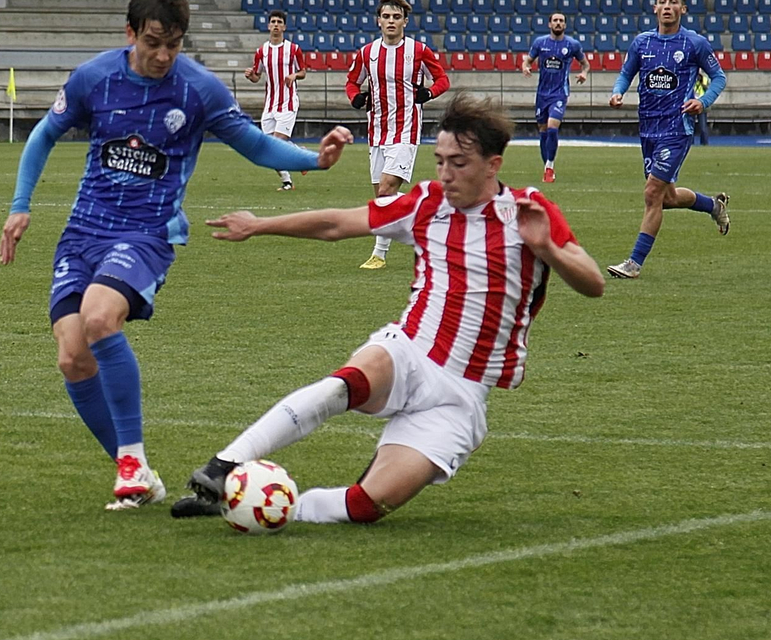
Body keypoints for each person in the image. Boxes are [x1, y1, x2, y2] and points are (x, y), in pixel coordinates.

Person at [0, 0, 353, 512]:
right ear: (130, 33)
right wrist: (20, 205)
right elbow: (44, 134)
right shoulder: (95, 78)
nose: (163, 55)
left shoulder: (199, 89)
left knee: (99, 318)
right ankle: (137, 472)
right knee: (72, 357)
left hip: (147, 233)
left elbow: (254, 145)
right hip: (84, 231)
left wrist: (315, 160)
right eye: (152, 42)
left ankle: (131, 460)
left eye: (174, 44)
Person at [172, 93, 605, 524]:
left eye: (459, 163)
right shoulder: (426, 203)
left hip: (461, 395)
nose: (445, 174)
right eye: (440, 161)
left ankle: (264, 506)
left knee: (365, 507)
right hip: (409, 351)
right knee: (345, 384)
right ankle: (223, 467)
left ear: (493, 165)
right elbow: (337, 224)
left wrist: (547, 248)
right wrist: (259, 226)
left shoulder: (528, 211)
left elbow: (593, 283)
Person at [605, 0, 730, 280]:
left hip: (676, 128)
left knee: (652, 194)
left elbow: (718, 77)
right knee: (667, 198)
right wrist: (617, 92)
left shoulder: (694, 43)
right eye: (662, 1)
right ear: (655, 8)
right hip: (648, 127)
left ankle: (634, 263)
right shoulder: (642, 43)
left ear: (682, 9)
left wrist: (703, 101)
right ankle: (713, 206)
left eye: (673, 2)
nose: (667, 7)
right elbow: (626, 73)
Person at [345, 0, 449, 269]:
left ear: (405, 21)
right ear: (378, 21)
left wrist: (428, 93)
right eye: (386, 16)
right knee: (383, 199)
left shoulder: (419, 51)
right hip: (377, 131)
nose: (391, 21)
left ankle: (382, 252)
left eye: (396, 17)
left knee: (386, 191)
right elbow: (352, 82)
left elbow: (442, 79)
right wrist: (355, 97)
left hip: (406, 131)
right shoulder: (367, 53)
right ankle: (420, 234)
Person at [519, 11, 588, 183]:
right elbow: (527, 60)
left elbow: (585, 64)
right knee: (543, 131)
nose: (558, 23)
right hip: (542, 94)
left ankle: (549, 166)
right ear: (549, 24)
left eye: (561, 21)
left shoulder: (572, 44)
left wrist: (584, 73)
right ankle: (547, 167)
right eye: (555, 20)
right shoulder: (540, 43)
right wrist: (525, 67)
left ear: (565, 25)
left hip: (559, 93)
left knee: (552, 127)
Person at [244, 9, 306, 191]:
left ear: (284, 27)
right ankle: (288, 180)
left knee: (276, 144)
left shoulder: (293, 49)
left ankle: (297, 162)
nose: (276, 25)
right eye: (273, 22)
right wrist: (251, 75)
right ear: (268, 26)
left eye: (279, 22)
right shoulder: (261, 51)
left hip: (288, 103)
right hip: (270, 105)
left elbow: (303, 71)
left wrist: (294, 75)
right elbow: (257, 76)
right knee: (268, 148)